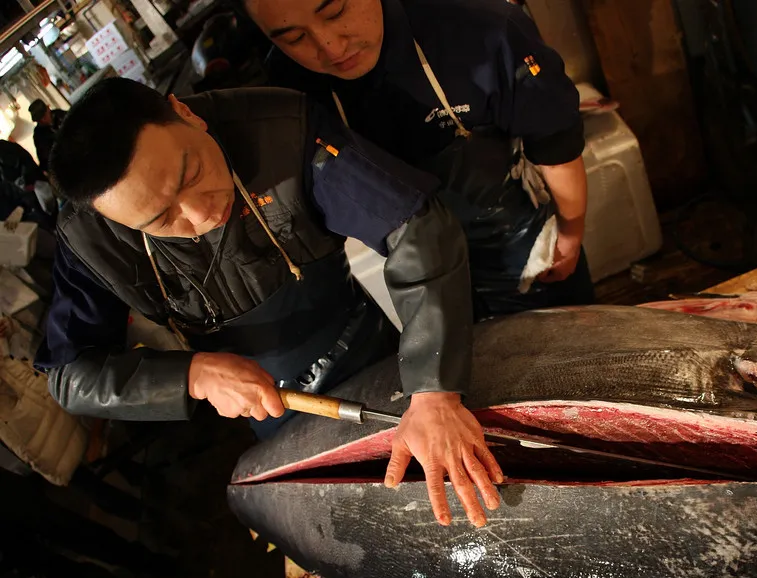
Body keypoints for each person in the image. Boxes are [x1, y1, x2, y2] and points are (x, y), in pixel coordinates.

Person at [34, 78, 503, 528]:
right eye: (161, 218)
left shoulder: (281, 127)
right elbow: (70, 375)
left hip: (368, 345)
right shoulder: (89, 240)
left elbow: (415, 228)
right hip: (267, 403)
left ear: (185, 113)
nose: (200, 214)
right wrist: (192, 375)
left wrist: (435, 389)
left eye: (191, 172)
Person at [243, 0, 594, 319]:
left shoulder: (483, 29)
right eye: (293, 37)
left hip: (522, 243)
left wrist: (570, 233)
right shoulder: (285, 94)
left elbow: (555, 144)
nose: (331, 47)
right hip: (428, 279)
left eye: (336, 12)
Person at [27, 99, 66, 173]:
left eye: (44, 116)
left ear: (48, 108)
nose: (43, 120)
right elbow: (45, 160)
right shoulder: (39, 135)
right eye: (39, 120)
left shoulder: (60, 115)